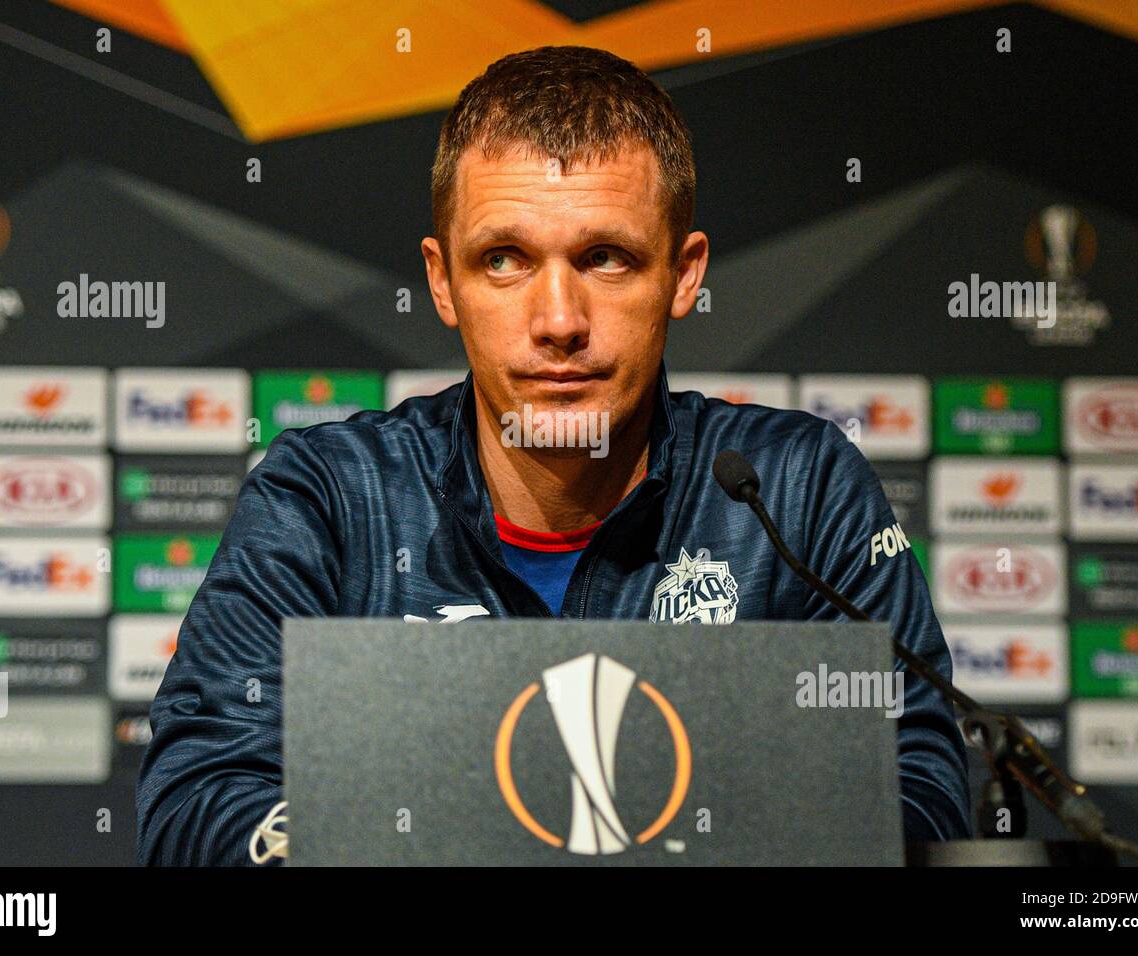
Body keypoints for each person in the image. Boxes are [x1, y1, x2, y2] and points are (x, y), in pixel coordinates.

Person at [137, 45, 971, 865]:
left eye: (606, 258)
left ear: (684, 275)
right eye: (505, 260)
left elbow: (917, 790)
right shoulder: (329, 498)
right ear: (442, 282)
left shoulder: (795, 490)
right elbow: (199, 801)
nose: (560, 320)